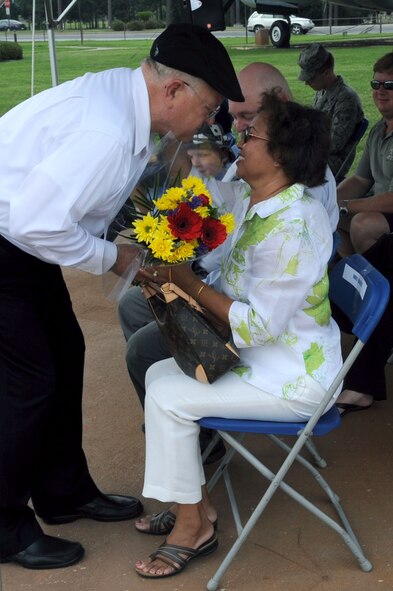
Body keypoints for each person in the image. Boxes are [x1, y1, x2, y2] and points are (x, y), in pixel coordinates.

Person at [0, 23, 243, 570]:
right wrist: (118, 258)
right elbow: (40, 222)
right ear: (175, 91)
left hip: (19, 243)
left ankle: (63, 493)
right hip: (10, 243)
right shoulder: (108, 131)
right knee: (27, 382)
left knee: (66, 353)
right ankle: (5, 526)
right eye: (208, 108)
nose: (211, 122)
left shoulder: (129, 99)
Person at [133, 91, 343, 579]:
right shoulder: (260, 201)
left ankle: (193, 526)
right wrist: (170, 275)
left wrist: (189, 283)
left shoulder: (295, 226)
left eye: (251, 135)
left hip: (295, 378)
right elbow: (235, 282)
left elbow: (257, 325)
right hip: (268, 359)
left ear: (282, 154)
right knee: (161, 373)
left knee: (167, 396)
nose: (239, 140)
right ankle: (196, 505)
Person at [117, 122, 239, 464]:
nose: (197, 161)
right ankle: (189, 424)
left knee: (140, 351)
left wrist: (186, 281)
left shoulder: (247, 194)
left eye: (203, 154)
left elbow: (220, 256)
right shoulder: (221, 183)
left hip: (224, 305)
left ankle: (183, 436)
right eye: (192, 154)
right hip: (210, 285)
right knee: (132, 304)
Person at [227, 62, 339, 232]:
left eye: (247, 116)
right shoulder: (262, 160)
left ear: (280, 101)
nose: (238, 128)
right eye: (234, 117)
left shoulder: (301, 192)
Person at [337, 51, 393, 258]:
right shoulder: (380, 130)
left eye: (389, 86)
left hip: (387, 210)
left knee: (363, 225)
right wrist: (329, 202)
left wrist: (345, 206)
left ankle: (379, 283)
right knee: (328, 216)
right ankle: (355, 277)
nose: (381, 91)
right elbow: (361, 178)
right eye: (376, 84)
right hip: (381, 210)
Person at [297, 43, 364, 179]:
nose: (307, 83)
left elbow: (334, 144)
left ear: (326, 73)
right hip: (316, 153)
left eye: (311, 78)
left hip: (331, 160)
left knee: (287, 168)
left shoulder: (346, 99)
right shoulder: (321, 91)